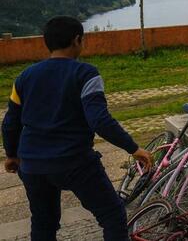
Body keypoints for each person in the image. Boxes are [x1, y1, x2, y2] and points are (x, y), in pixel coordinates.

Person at [2, 16, 153, 241]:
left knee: (43, 223)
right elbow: (100, 121)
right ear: (77, 40)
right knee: (112, 215)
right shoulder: (86, 74)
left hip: (32, 164)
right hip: (75, 163)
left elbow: (10, 122)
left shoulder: (25, 76)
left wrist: (12, 155)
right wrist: (133, 148)